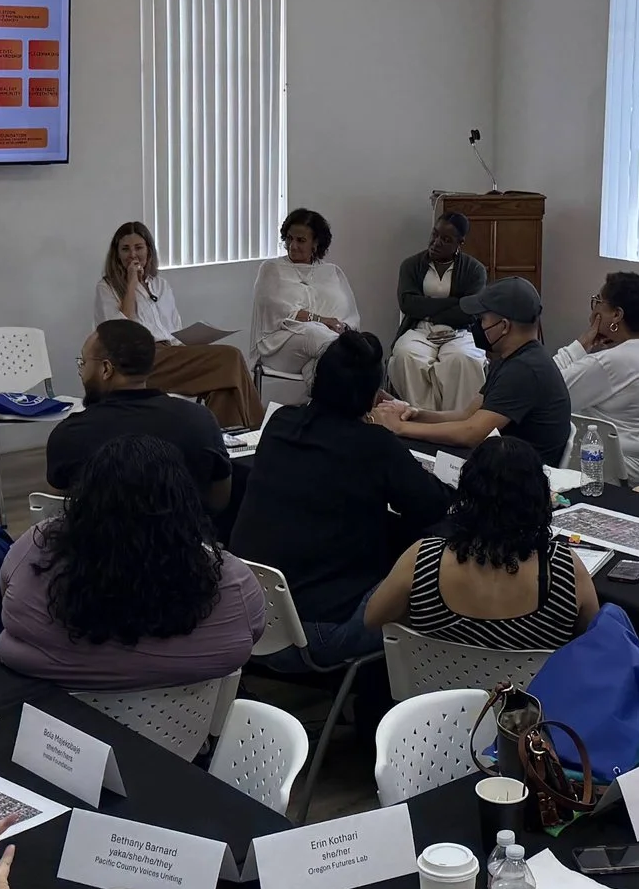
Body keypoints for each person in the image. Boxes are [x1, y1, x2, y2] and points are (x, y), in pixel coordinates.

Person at [230, 331, 451, 667]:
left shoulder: (280, 424)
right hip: (319, 636)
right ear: (374, 395)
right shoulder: (374, 446)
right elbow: (433, 505)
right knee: (426, 578)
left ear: (318, 380)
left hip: (248, 620)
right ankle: (383, 708)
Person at [0, 436, 267, 690]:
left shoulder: (35, 549)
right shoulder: (232, 582)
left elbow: (5, 597)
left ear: (83, 500)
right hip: (181, 736)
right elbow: (252, 633)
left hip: (48, 731)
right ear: (185, 503)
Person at [363, 436, 599, 650]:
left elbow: (373, 619)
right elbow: (593, 639)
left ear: (467, 493)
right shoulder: (564, 569)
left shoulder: (423, 558)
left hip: (441, 694)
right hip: (532, 695)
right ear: (538, 496)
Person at [371, 278, 573, 469]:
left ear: (504, 326)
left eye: (482, 319)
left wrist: (399, 427)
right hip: (503, 467)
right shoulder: (510, 359)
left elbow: (472, 432)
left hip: (519, 482)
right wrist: (413, 414)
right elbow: (466, 415)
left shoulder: (524, 370)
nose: (477, 325)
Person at [47, 320, 233, 514]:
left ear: (106, 369)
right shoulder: (200, 420)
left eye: (83, 363)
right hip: (186, 541)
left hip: (100, 543)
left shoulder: (70, 434)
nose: (82, 372)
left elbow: (56, 511)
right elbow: (220, 500)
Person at [93, 221, 261, 428]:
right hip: (138, 361)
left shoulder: (161, 285)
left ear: (149, 251)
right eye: (125, 249)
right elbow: (120, 333)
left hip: (171, 354)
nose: (133, 254)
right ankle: (259, 431)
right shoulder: (106, 287)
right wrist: (131, 284)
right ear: (116, 254)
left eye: (139, 248)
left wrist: (194, 341)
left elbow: (173, 331)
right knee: (231, 356)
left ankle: (226, 448)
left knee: (224, 387)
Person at [554, 272, 639, 484]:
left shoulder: (612, 362)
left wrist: (582, 343)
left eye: (598, 302)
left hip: (625, 466)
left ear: (617, 315)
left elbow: (547, 390)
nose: (594, 309)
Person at [390, 213, 488, 411]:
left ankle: (456, 420)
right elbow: (408, 304)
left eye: (446, 240)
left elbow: (471, 312)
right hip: (421, 328)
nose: (436, 243)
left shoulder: (475, 270)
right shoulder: (411, 265)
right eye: (434, 235)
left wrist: (427, 307)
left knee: (463, 359)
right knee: (406, 355)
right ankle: (421, 416)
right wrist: (455, 302)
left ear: (460, 243)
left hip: (461, 331)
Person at [249, 208, 358, 384]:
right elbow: (281, 313)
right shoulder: (271, 269)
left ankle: (323, 410)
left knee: (318, 369)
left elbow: (347, 315)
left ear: (316, 243)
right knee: (315, 335)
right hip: (279, 346)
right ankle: (378, 398)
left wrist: (341, 327)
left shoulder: (332, 272)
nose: (293, 245)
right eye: (289, 239)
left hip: (324, 347)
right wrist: (323, 321)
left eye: (301, 240)